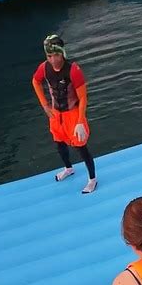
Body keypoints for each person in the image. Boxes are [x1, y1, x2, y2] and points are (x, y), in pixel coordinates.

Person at [32, 33, 97, 194]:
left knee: (81, 147)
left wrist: (81, 120)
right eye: (49, 56)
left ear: (62, 52)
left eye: (56, 55)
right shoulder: (44, 68)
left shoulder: (73, 70)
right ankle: (68, 168)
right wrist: (45, 105)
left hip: (73, 113)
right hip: (55, 114)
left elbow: (83, 97)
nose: (53, 59)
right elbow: (35, 81)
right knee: (59, 143)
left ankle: (92, 179)